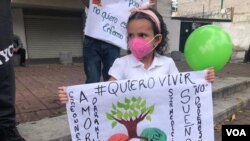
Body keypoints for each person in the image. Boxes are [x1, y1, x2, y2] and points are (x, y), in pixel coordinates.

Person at [58, 4, 215, 104]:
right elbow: (105, 95)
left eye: (142, 35)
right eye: (131, 35)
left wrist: (202, 80)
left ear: (157, 39)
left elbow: (181, 90)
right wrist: (74, 97)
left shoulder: (167, 64)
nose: (135, 40)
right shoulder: (121, 64)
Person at [80, 0, 156, 83]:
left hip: (112, 40)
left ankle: (109, 96)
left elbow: (150, 2)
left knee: (112, 79)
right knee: (93, 79)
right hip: (94, 37)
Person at [0, 0, 26, 141]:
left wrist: (16, 48)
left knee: (3, 58)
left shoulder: (14, 36)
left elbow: (19, 44)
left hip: (10, 48)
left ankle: (5, 124)